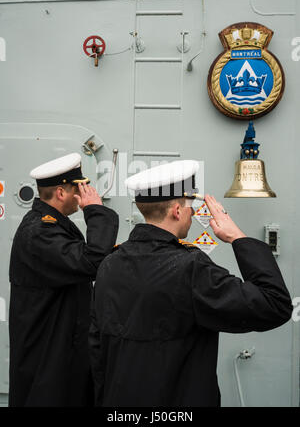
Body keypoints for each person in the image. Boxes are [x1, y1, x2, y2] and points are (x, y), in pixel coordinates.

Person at [89, 160, 292, 407]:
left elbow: (96, 350)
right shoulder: (190, 268)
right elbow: (275, 304)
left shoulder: (109, 264)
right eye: (190, 206)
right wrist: (237, 237)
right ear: (176, 210)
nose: (194, 213)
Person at [9, 152, 119, 407]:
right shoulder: (39, 232)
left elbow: (82, 260)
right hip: (47, 359)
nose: (83, 195)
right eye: (78, 188)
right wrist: (96, 211)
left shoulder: (53, 225)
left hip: (61, 350)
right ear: (61, 193)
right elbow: (91, 261)